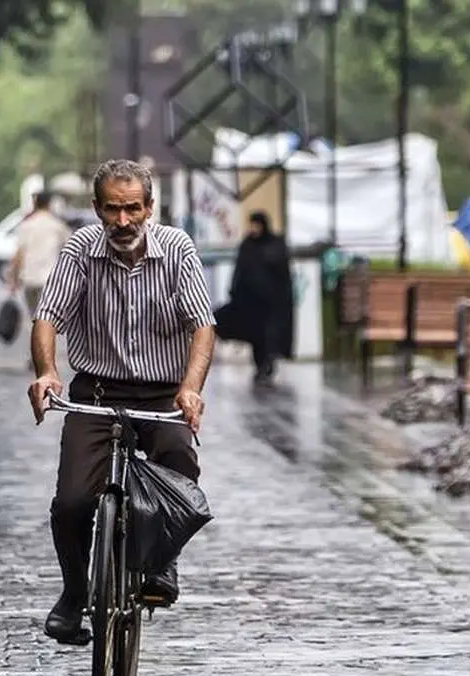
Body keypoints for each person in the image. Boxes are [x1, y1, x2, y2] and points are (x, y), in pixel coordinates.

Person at [27, 158, 216, 645]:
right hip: (98, 392)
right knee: (71, 501)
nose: (123, 221)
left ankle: (161, 563)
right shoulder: (81, 251)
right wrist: (47, 372)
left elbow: (202, 325)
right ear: (97, 209)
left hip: (163, 392)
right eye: (113, 210)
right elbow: (48, 316)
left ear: (150, 208)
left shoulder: (177, 250)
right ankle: (73, 594)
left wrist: (190, 388)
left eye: (133, 209)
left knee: (176, 467)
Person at [229, 210, 294, 384]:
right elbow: (239, 271)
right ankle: (260, 367)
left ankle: (268, 365)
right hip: (252, 303)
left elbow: (283, 273)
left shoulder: (276, 244)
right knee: (255, 337)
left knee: (271, 337)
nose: (253, 228)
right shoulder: (247, 245)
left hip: (273, 304)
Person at [8, 191, 71, 321]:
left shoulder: (27, 225)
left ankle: (39, 339)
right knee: (48, 320)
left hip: (30, 279)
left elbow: (19, 254)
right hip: (50, 280)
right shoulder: (57, 226)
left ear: (34, 204)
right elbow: (71, 251)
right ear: (49, 204)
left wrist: (13, 278)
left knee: (35, 318)